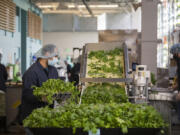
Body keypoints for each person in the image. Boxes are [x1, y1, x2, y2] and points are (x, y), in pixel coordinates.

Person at [19, 44, 59, 123]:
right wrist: (44, 97)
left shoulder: (53, 70)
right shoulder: (31, 73)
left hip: (48, 114)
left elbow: (57, 86)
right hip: (33, 115)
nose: (56, 58)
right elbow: (28, 95)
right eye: (55, 55)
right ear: (47, 54)